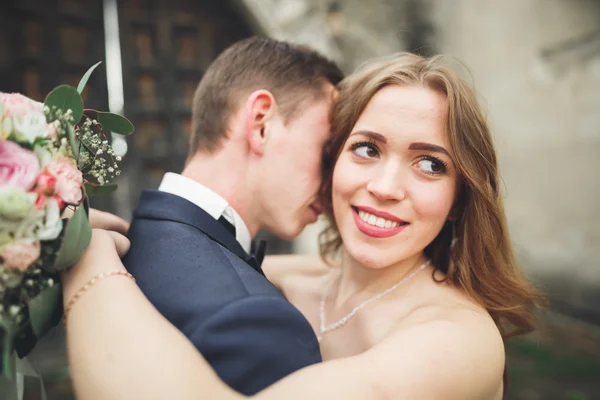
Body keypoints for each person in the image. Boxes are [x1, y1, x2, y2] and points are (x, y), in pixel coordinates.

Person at [62, 52, 541, 400]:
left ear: (460, 200)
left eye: (431, 164)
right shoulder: (296, 278)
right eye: (367, 148)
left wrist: (88, 260)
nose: (387, 186)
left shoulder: (455, 341)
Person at [119, 36, 342, 395]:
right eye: (327, 152)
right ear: (261, 123)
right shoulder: (255, 321)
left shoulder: (139, 235)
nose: (335, 187)